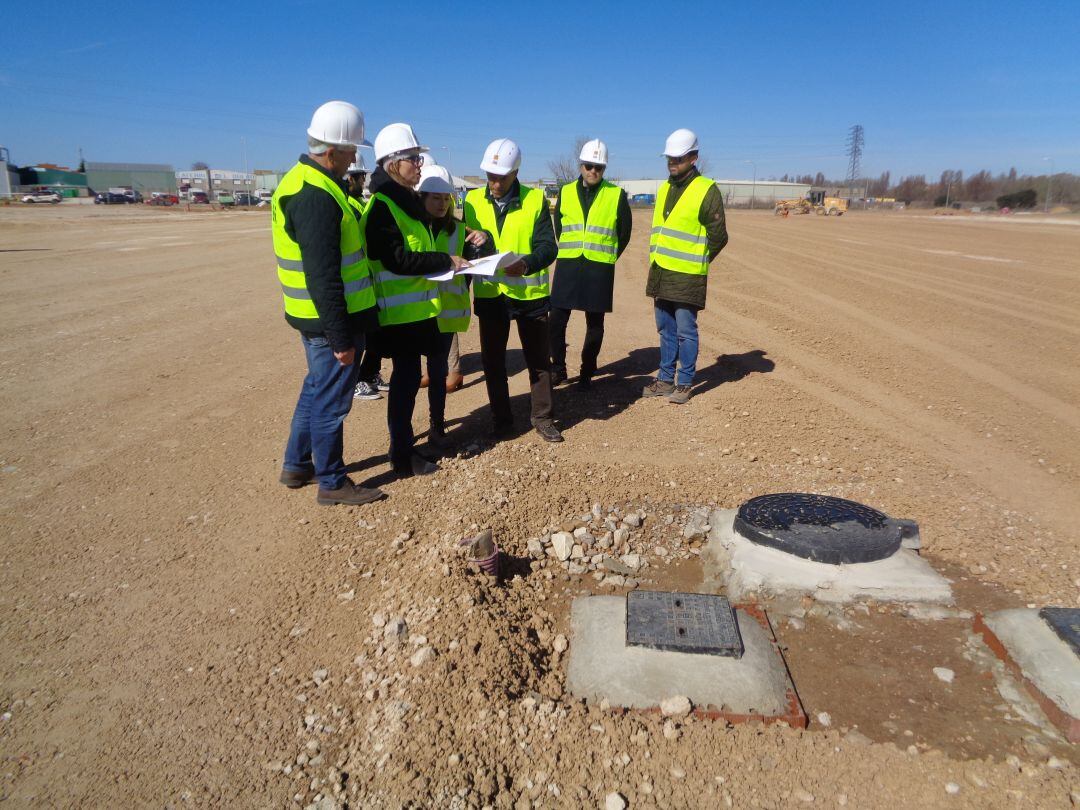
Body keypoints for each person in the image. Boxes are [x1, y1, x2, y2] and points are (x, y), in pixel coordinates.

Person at [274, 100, 386, 506]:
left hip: (314, 319)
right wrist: (341, 337)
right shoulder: (314, 195)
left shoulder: (308, 182)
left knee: (315, 389)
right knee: (331, 403)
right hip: (328, 323)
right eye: (353, 149)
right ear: (332, 151)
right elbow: (323, 276)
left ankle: (296, 464)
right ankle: (332, 482)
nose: (356, 157)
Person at [362, 123, 471, 477]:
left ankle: (404, 449)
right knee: (404, 387)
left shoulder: (405, 202)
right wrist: (444, 261)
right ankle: (402, 455)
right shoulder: (383, 207)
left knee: (408, 385)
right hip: (397, 318)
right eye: (413, 158)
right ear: (393, 162)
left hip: (416, 314)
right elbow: (397, 259)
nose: (419, 164)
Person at [464, 138, 562, 443]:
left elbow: (548, 247)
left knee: (538, 361)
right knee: (493, 363)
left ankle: (543, 417)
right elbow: (466, 248)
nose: (493, 182)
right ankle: (502, 421)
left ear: (515, 172)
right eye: (489, 176)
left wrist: (528, 263)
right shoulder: (471, 202)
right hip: (491, 296)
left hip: (527, 295)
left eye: (500, 177)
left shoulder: (534, 201)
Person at [642, 128, 729, 404]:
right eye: (670, 158)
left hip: (687, 276)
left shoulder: (706, 190)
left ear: (694, 157)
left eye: (678, 158)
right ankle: (665, 379)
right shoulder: (665, 187)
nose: (672, 163)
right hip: (661, 272)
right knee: (665, 329)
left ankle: (685, 382)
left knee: (685, 331)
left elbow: (719, 236)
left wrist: (697, 259)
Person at [416, 162, 493, 443]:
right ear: (421, 197)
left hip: (444, 314)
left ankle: (437, 426)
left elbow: (477, 258)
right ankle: (401, 439)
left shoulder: (458, 229)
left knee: (438, 374)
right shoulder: (412, 226)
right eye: (435, 198)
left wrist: (484, 240)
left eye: (446, 198)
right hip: (413, 312)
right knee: (409, 377)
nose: (441, 204)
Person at [549, 138, 632, 389]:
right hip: (569, 265)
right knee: (556, 319)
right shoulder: (565, 192)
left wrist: (607, 256)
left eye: (598, 167)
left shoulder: (615, 194)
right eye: (588, 166)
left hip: (599, 268)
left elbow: (624, 232)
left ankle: (587, 369)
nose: (593, 171)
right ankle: (558, 368)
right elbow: (559, 227)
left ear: (604, 169)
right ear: (581, 165)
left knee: (595, 323)